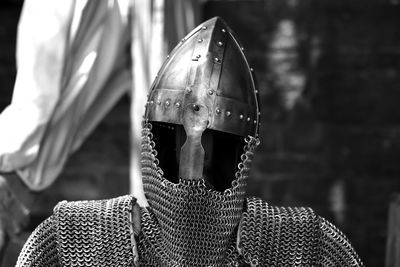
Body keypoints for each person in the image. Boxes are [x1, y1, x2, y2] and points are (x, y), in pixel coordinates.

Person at [16, 17, 363, 267]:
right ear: (154, 141)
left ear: (241, 152)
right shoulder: (78, 243)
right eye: (178, 135)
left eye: (216, 140)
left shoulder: (300, 249)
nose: (193, 159)